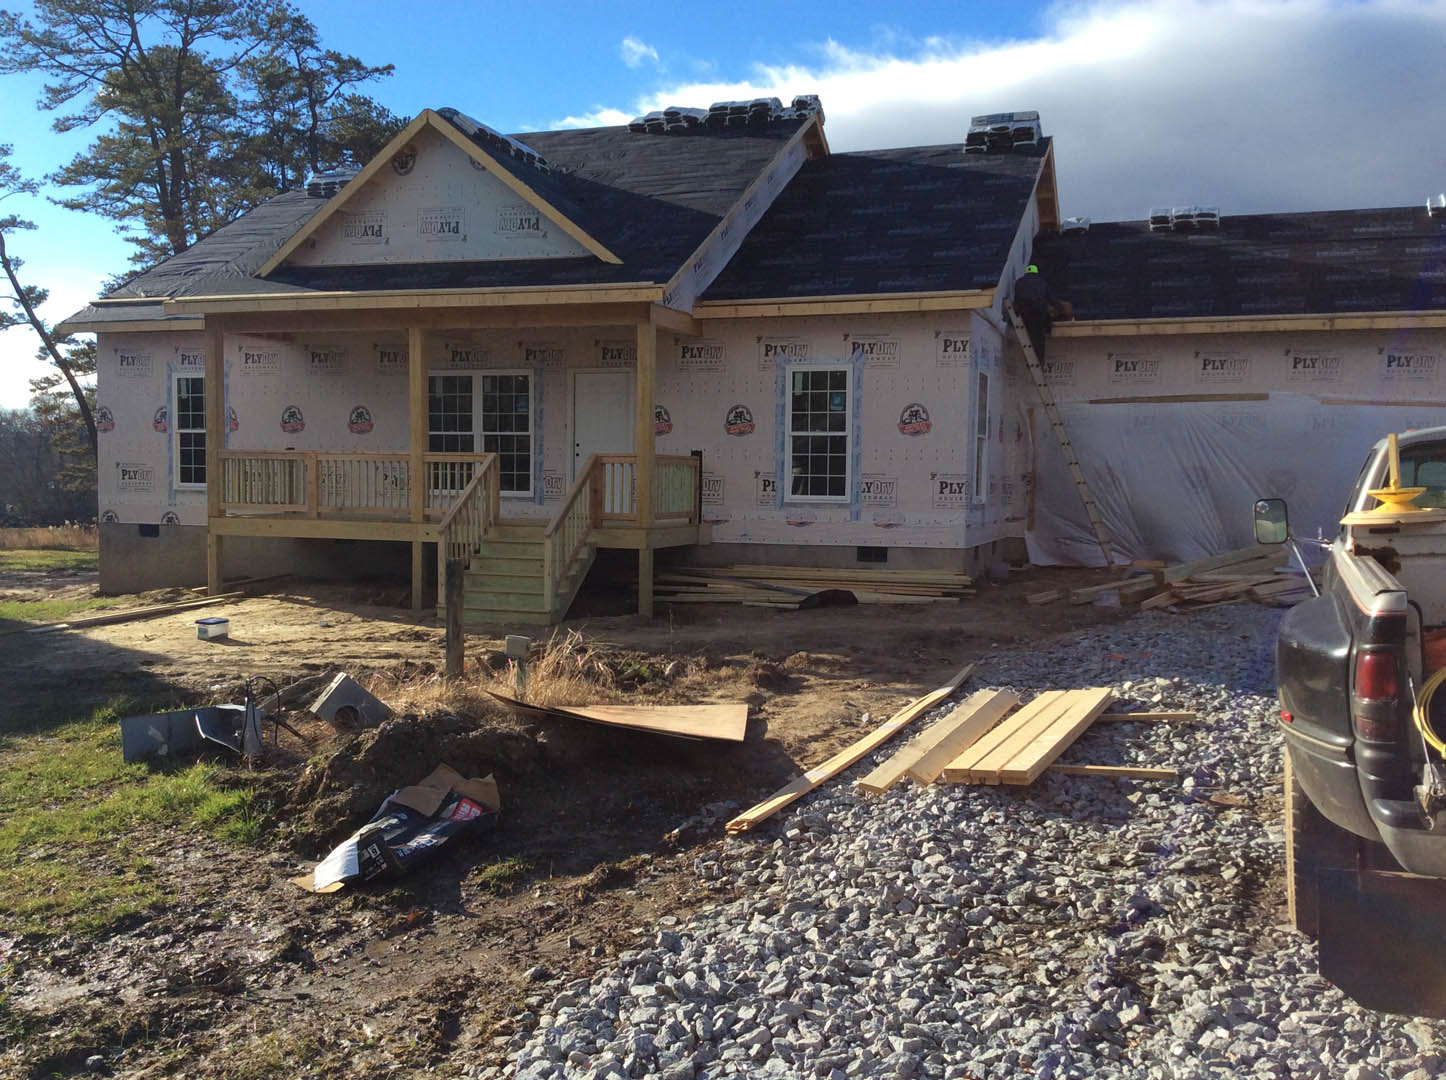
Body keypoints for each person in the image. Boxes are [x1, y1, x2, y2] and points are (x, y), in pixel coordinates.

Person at [1012, 264, 1067, 362]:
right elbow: (1051, 299)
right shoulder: (1042, 283)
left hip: (1024, 313)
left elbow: (1016, 300)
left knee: (1028, 336)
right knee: (1039, 337)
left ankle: (1028, 360)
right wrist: (1061, 309)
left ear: (1026, 273)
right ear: (1036, 273)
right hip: (1038, 313)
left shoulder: (1018, 282)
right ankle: (1039, 361)